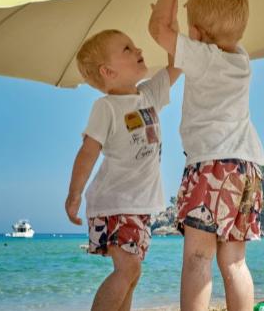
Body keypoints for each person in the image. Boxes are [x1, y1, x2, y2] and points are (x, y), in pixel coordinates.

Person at [150, 0, 264, 311]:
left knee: (199, 257)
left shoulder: (203, 58)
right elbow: (175, 38)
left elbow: (159, 30)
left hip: (212, 167)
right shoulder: (242, 60)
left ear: (198, 34)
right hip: (248, 169)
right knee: (235, 262)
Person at [65, 29, 180, 311]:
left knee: (133, 272)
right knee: (127, 269)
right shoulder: (106, 108)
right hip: (115, 203)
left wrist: (170, 24)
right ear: (108, 72)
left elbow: (176, 64)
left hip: (140, 206)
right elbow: (88, 152)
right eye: (127, 49)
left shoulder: (148, 95)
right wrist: (74, 194)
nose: (138, 49)